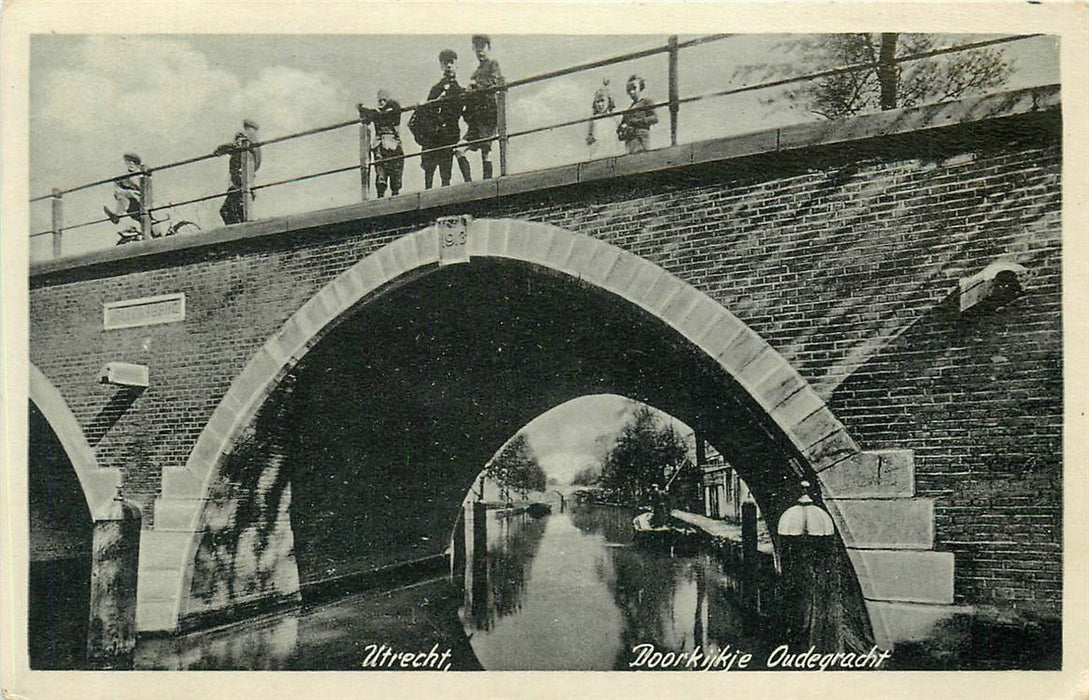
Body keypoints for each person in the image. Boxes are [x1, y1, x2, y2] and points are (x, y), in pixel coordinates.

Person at [411, 49, 465, 189]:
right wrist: (423, 105)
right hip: (434, 133)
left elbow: (460, 108)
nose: (448, 66)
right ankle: (427, 191)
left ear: (456, 65)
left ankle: (445, 189)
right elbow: (428, 108)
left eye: (451, 62)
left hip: (448, 132)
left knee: (446, 167)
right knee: (430, 166)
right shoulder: (436, 88)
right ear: (441, 66)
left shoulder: (458, 89)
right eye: (445, 62)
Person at [458, 34, 505, 181]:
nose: (480, 51)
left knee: (486, 150)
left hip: (488, 115)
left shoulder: (493, 65)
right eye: (477, 48)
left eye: (483, 47)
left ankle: (487, 183)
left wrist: (476, 85)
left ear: (488, 48)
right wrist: (467, 92)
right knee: (459, 150)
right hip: (476, 119)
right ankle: (469, 183)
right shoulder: (475, 73)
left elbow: (495, 82)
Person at [213, 119, 262, 225]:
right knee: (230, 211)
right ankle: (236, 230)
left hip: (241, 186)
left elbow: (233, 146)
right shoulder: (244, 151)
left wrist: (220, 150)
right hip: (239, 186)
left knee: (228, 211)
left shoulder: (249, 142)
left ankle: (237, 231)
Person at [359, 89, 404, 198]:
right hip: (379, 142)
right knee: (380, 169)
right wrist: (361, 108)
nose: (381, 102)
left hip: (393, 142)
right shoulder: (376, 113)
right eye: (380, 100)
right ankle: (381, 194)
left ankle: (395, 193)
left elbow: (396, 110)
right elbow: (367, 117)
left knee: (395, 169)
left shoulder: (393, 109)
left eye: (384, 100)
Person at [617, 74, 658, 154]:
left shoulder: (646, 102)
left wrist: (634, 121)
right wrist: (621, 129)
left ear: (640, 87)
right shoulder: (629, 110)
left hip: (641, 139)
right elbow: (621, 126)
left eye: (634, 88)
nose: (632, 92)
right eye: (629, 90)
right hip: (630, 141)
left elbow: (654, 118)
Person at [103, 152, 145, 225]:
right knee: (122, 195)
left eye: (133, 163)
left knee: (125, 193)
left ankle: (118, 215)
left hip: (141, 198)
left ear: (137, 165)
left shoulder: (140, 174)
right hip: (131, 203)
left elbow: (141, 187)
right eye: (128, 162)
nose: (130, 165)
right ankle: (117, 216)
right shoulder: (125, 176)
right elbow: (117, 187)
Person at [586, 78, 616, 159]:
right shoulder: (594, 119)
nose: (600, 104)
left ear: (609, 101)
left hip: (611, 151)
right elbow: (589, 136)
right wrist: (590, 139)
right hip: (598, 151)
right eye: (597, 102)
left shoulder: (613, 118)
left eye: (602, 101)